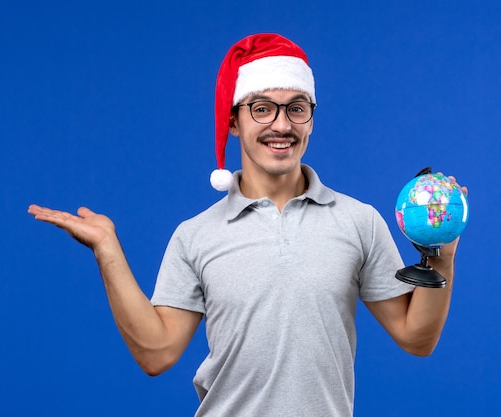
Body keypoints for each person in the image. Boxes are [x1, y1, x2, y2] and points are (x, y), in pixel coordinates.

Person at [28, 33, 467, 417]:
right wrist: (108, 250)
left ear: (311, 119)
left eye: (297, 108)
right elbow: (157, 352)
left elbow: (416, 338)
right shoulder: (195, 235)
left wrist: (442, 250)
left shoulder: (358, 221)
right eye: (262, 108)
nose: (281, 125)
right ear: (234, 122)